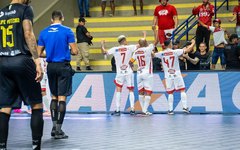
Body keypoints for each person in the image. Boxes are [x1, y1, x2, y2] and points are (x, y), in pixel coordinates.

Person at [0, 0, 44, 149]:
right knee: (36, 104)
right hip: (21, 60)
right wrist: (37, 60)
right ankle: (36, 146)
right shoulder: (25, 9)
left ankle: (2, 146)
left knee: (4, 107)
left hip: (2, 61)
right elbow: (28, 33)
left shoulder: (1, 12)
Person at [37, 10, 78, 139]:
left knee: (54, 96)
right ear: (62, 18)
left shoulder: (43, 32)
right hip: (63, 66)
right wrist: (66, 51)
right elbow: (75, 51)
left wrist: (50, 54)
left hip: (51, 67)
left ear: (51, 19)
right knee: (62, 98)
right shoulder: (67, 31)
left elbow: (39, 53)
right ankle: (59, 130)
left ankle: (54, 128)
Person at [155, 39, 195, 114]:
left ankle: (170, 110)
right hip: (176, 74)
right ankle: (185, 107)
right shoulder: (175, 52)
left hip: (168, 75)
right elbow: (188, 49)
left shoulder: (162, 53)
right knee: (182, 90)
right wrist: (193, 43)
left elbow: (153, 54)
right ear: (170, 44)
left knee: (170, 93)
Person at [101, 35, 138, 116]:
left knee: (118, 90)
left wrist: (102, 45)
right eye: (126, 40)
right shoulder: (129, 47)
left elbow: (104, 52)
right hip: (128, 71)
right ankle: (132, 109)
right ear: (124, 40)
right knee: (131, 90)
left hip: (120, 72)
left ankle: (118, 110)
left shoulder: (115, 49)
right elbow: (140, 45)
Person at [129, 33, 155, 116]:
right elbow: (156, 41)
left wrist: (132, 67)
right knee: (148, 92)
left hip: (139, 73)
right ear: (146, 43)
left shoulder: (136, 52)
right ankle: (144, 110)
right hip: (147, 73)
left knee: (141, 92)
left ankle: (143, 109)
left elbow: (130, 62)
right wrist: (154, 31)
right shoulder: (148, 48)